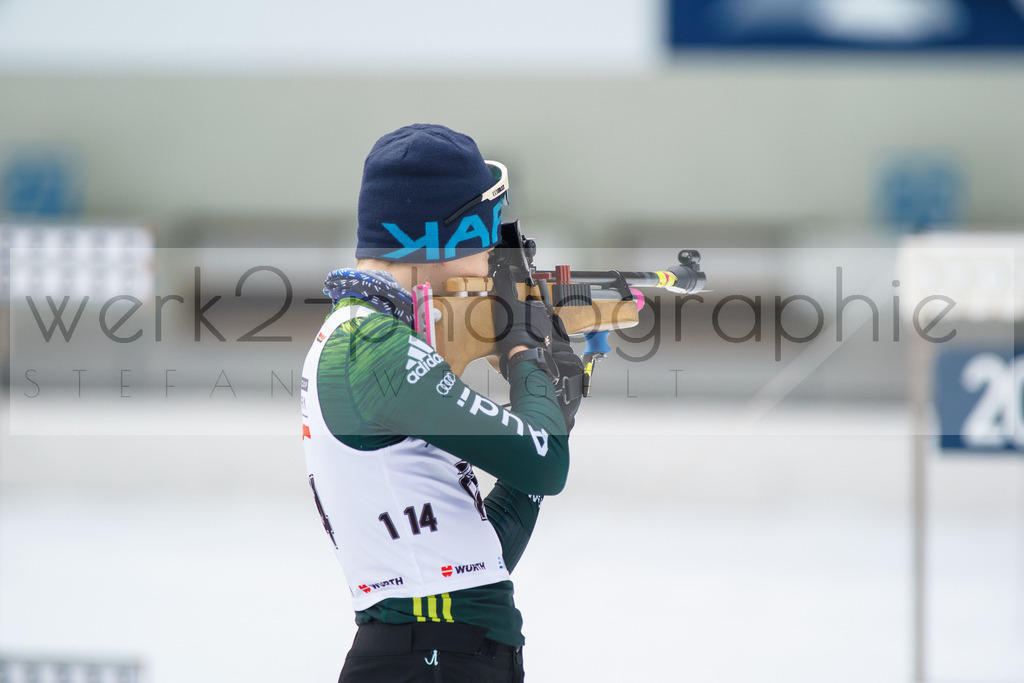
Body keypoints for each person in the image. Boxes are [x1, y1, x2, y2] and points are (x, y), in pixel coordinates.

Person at [300, 123, 584, 682]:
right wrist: (526, 352)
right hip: (434, 660)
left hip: (438, 653)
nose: (486, 268)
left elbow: (480, 560)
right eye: (486, 242)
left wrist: (555, 404)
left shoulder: (363, 336)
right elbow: (546, 461)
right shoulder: (376, 350)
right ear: (451, 235)